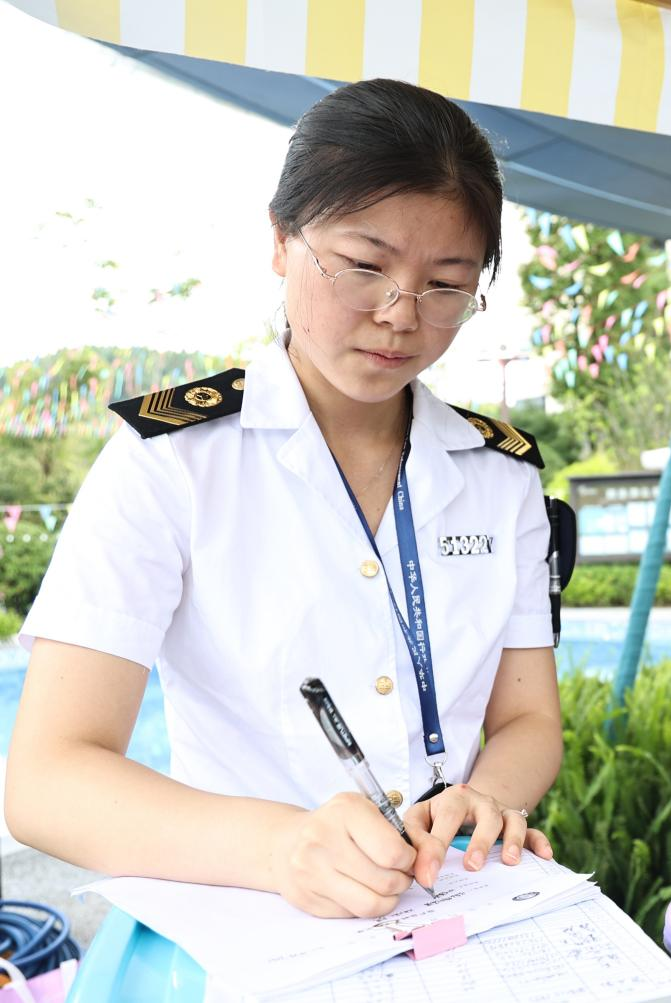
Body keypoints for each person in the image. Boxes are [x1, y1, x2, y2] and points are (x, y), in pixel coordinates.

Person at [5, 79, 563, 919]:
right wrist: (279, 848)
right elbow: (48, 779)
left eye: (446, 284)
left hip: (447, 901)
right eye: (364, 267)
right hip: (246, 917)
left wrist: (488, 796)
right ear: (280, 240)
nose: (399, 315)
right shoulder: (173, 461)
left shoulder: (501, 475)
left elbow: (528, 718)